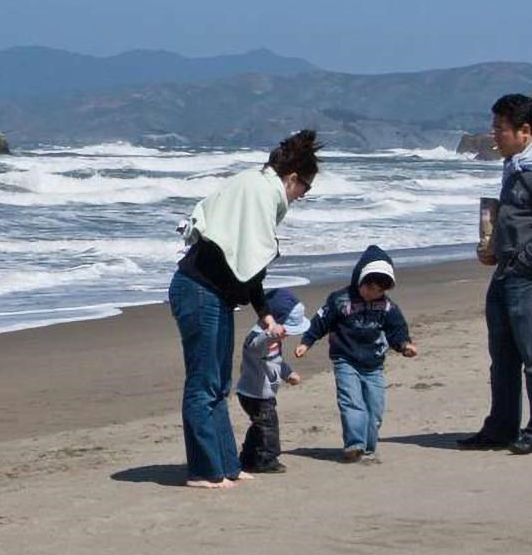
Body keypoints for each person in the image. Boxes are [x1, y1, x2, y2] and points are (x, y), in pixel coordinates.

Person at [169, 130, 322, 489]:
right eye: (306, 189)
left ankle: (226, 465)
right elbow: (252, 258)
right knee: (204, 383)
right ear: (292, 178)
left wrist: (264, 312)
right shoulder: (261, 191)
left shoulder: (257, 186)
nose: (302, 197)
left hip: (214, 293)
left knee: (218, 384)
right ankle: (205, 470)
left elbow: (245, 258)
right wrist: (263, 310)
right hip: (198, 290)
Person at [460, 94, 532, 456]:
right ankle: (501, 426)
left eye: (500, 129)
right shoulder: (517, 167)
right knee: (503, 356)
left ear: (524, 131)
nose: (495, 137)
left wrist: (523, 261)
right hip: (507, 271)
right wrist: (493, 249)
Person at [294, 245, 417, 463]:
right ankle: (354, 444)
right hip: (345, 359)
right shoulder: (339, 300)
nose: (373, 293)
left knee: (375, 407)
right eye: (369, 288)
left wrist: (404, 345)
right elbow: (321, 321)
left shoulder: (387, 307)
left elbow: (396, 329)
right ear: (359, 280)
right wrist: (307, 342)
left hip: (374, 364)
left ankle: (368, 446)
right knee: (351, 402)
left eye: (379, 290)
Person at [236, 288, 308, 474]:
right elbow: (254, 347)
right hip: (254, 393)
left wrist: (288, 373)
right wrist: (271, 333)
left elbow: (275, 361)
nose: (287, 334)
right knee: (268, 426)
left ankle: (248, 458)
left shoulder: (274, 341)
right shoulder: (258, 336)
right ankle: (266, 459)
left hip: (264, 392)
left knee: (259, 425)